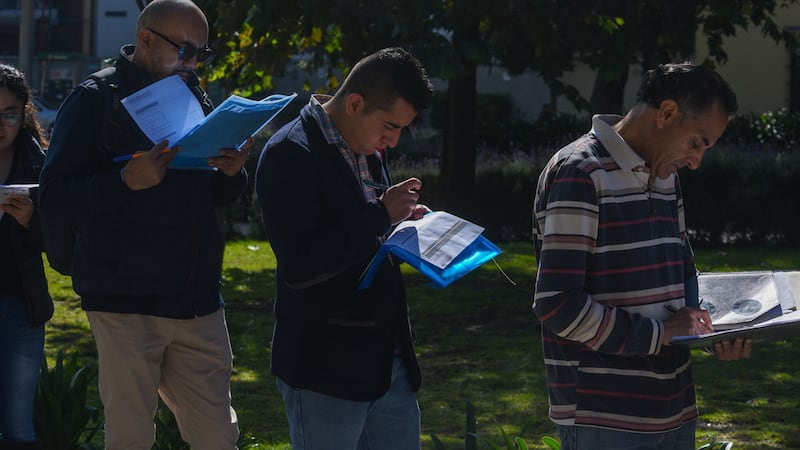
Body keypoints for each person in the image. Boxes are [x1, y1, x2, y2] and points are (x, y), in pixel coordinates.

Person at [38, 1, 250, 448]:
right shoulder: (95, 99)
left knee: (217, 436)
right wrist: (123, 182)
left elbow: (209, 195)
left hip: (196, 300)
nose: (192, 64)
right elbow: (54, 197)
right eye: (185, 51)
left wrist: (232, 174)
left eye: (201, 54)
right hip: (124, 302)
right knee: (131, 436)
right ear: (147, 39)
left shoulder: (192, 91)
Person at [532, 62, 752, 450]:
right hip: (604, 416)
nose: (697, 160)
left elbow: (683, 279)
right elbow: (557, 305)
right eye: (697, 142)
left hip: (675, 408)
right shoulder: (580, 172)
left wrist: (722, 328)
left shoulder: (668, 180)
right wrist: (660, 334)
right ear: (666, 113)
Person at [255, 47, 434, 449]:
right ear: (355, 103)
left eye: (402, 129)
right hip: (324, 369)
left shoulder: (366, 146)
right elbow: (301, 265)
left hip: (387, 362)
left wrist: (400, 225)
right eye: (389, 126)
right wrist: (379, 216)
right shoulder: (289, 153)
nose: (393, 139)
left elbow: (363, 231)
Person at [0, 64, 53, 450]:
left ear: (24, 114)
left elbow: (64, 242)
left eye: (9, 115)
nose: (2, 124)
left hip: (21, 307)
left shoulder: (40, 166)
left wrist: (31, 221)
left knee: (19, 429)